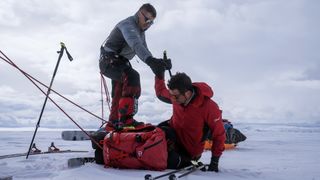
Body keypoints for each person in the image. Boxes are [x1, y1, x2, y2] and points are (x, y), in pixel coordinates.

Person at [99, 3, 170, 130]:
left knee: (120, 90)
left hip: (119, 63)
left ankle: (114, 122)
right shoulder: (128, 25)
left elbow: (144, 50)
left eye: (151, 22)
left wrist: (159, 63)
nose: (148, 24)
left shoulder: (141, 32)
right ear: (139, 14)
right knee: (132, 77)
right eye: (147, 20)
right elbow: (136, 45)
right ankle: (126, 120)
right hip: (108, 61)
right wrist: (151, 61)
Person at [155, 72, 226, 172]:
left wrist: (215, 161)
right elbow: (161, 92)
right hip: (172, 137)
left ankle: (188, 161)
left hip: (188, 152)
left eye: (175, 96)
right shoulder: (177, 96)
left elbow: (219, 135)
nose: (173, 99)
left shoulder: (209, 107)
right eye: (171, 95)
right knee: (149, 143)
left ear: (187, 93)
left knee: (161, 160)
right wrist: (159, 74)